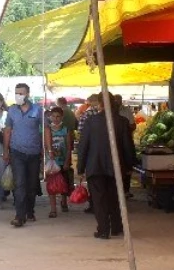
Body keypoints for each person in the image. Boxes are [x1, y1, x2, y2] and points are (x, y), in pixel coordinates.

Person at [77, 94, 136, 239]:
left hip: (95, 166)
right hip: (116, 166)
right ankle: (116, 226)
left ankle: (103, 229)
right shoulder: (122, 121)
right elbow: (128, 146)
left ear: (100, 104)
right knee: (115, 197)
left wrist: (80, 167)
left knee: (99, 199)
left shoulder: (91, 121)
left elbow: (83, 146)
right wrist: (130, 165)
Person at [3, 82, 43, 228]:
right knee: (19, 184)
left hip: (33, 152)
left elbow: (45, 131)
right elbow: (7, 131)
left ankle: (30, 210)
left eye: (21, 93)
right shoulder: (12, 111)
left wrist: (46, 150)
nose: (18, 95)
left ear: (28, 94)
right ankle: (19, 216)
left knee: (31, 185)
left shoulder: (38, 110)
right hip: (16, 152)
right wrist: (6, 151)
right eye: (16, 93)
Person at [43, 106, 72, 217]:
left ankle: (64, 202)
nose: (55, 118)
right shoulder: (47, 129)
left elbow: (69, 147)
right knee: (51, 186)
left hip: (63, 161)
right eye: (53, 116)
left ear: (62, 117)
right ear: (50, 117)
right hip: (51, 162)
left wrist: (67, 161)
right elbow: (45, 146)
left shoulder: (66, 129)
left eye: (58, 116)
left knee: (63, 184)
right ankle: (53, 209)